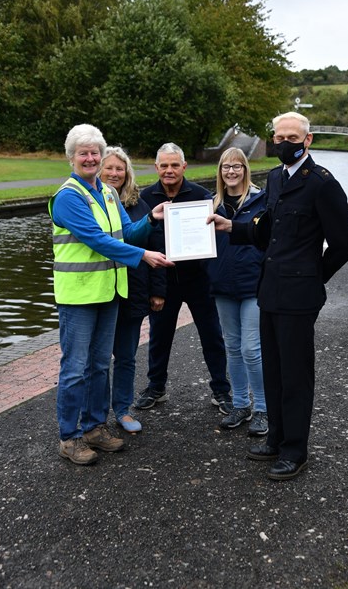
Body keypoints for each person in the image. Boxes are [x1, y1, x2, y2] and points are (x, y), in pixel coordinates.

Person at [208, 112, 348, 481]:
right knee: (272, 370)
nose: (284, 142)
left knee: (295, 374)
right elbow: (268, 230)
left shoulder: (322, 184)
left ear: (307, 141)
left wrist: (314, 275)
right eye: (279, 136)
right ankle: (275, 437)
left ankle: (295, 450)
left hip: (299, 294)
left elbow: (344, 243)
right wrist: (233, 228)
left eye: (293, 137)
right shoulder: (274, 178)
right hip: (269, 289)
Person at [49, 124, 173, 465]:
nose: (90, 158)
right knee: (75, 368)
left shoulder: (107, 192)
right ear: (71, 158)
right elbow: (97, 239)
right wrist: (143, 256)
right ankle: (69, 437)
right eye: (83, 153)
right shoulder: (68, 196)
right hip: (78, 296)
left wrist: (150, 217)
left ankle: (93, 428)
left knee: (100, 365)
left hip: (107, 292)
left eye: (95, 152)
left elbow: (127, 232)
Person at [135, 142, 232, 414]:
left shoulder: (203, 196)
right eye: (164, 165)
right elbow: (140, 240)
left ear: (184, 167)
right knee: (159, 335)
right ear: (156, 168)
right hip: (162, 279)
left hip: (198, 278)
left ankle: (221, 390)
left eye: (174, 165)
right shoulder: (145, 198)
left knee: (212, 334)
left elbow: (218, 236)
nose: (169, 170)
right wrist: (153, 287)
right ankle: (156, 387)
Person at [100, 146, 165, 433]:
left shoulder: (140, 205)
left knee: (126, 356)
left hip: (134, 291)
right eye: (109, 168)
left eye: (120, 168)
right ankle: (97, 416)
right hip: (101, 292)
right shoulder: (89, 204)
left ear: (127, 172)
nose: (115, 173)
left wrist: (158, 290)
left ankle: (123, 410)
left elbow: (156, 247)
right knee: (99, 360)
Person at [207, 147, 268, 436]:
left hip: (253, 283)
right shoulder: (210, 205)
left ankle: (263, 409)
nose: (231, 172)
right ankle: (241, 404)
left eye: (237, 166)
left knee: (251, 348)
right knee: (232, 346)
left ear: (246, 169)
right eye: (225, 167)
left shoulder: (262, 200)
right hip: (222, 285)